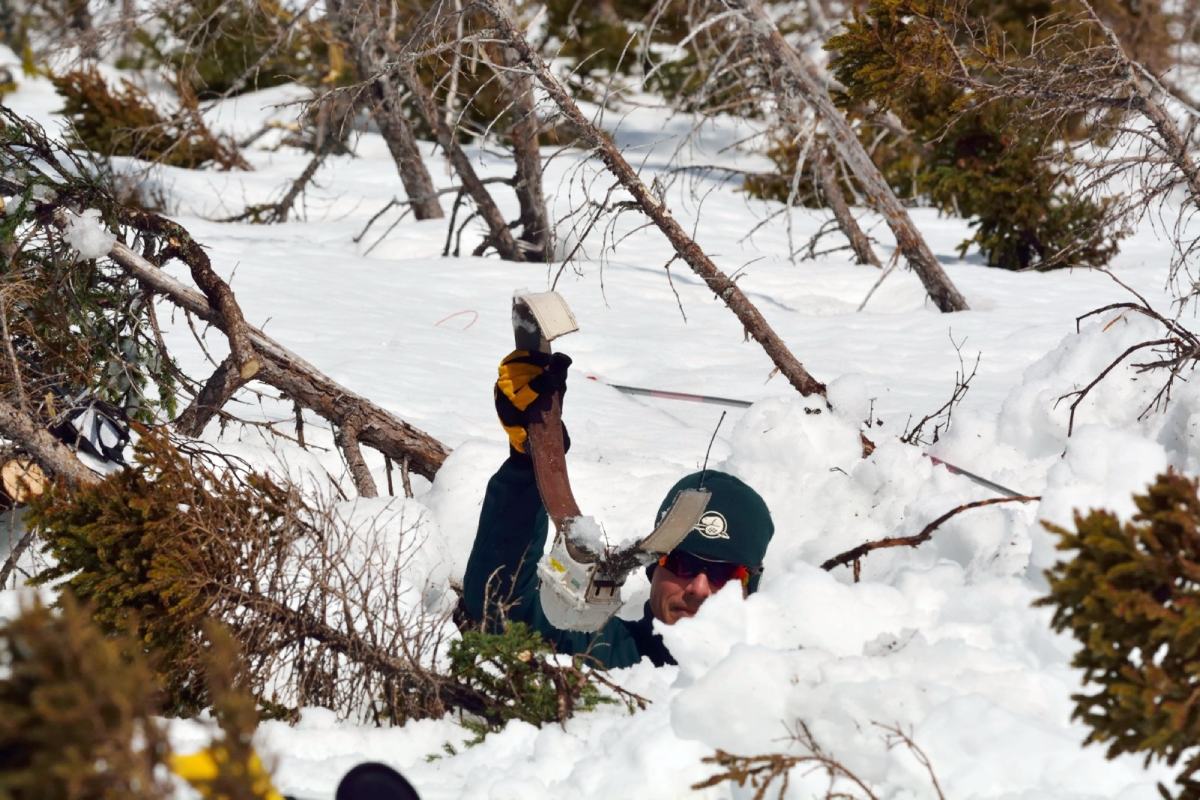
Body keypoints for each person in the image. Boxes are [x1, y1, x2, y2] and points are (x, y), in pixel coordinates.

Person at [462, 350, 775, 669]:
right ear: (654, 567)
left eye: (727, 574)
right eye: (682, 564)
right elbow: (502, 609)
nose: (698, 588)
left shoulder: (788, 688)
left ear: (751, 589)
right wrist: (529, 461)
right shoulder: (603, 656)